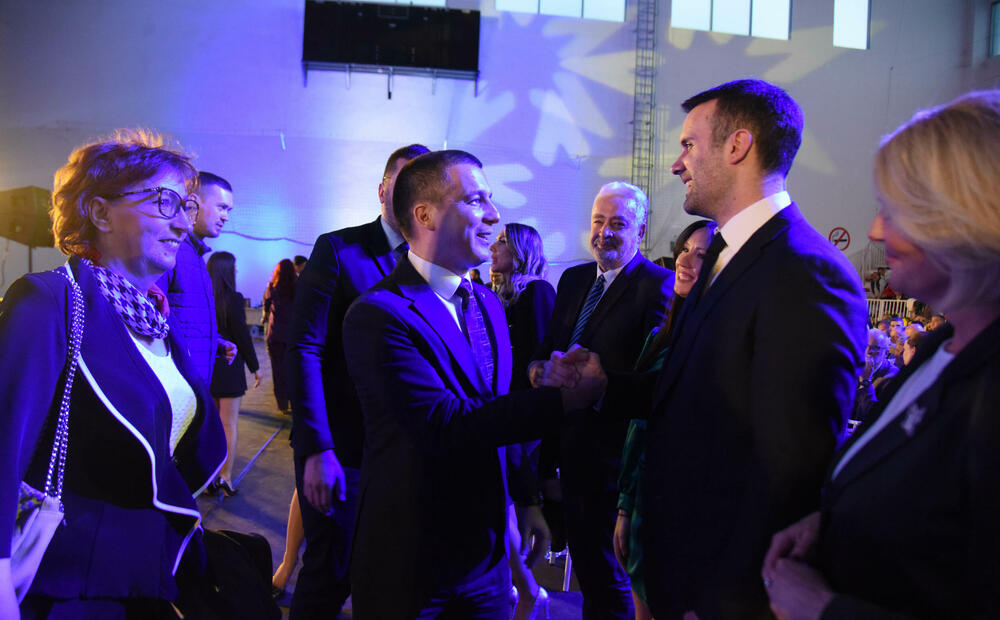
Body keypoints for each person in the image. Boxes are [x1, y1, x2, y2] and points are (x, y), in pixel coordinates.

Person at [762, 89, 1000, 620]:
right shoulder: (941, 345)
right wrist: (833, 522)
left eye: (893, 212)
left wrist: (825, 609)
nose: (874, 230)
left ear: (966, 218)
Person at [342, 149, 607, 619]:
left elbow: (498, 408)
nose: (494, 215)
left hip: (485, 562)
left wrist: (525, 498)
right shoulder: (378, 314)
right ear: (425, 215)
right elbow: (445, 424)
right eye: (475, 200)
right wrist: (562, 400)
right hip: (409, 560)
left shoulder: (486, 303)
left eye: (491, 199)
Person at [638, 79, 867, 618]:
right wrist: (605, 386)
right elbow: (692, 391)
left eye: (689, 145)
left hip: (724, 592)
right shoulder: (723, 252)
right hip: (679, 566)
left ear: (738, 146)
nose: (676, 163)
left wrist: (725, 601)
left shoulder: (807, 271)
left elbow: (791, 466)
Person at [0, 129, 225, 616]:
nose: (182, 223)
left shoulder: (153, 321)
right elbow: (3, 448)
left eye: (186, 206)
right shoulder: (50, 301)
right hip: (72, 586)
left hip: (150, 575)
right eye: (165, 202)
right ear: (100, 213)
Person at [286, 144, 429, 618]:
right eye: (402, 182)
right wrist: (316, 448)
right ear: (383, 189)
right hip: (344, 451)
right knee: (331, 571)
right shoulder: (339, 250)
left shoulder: (432, 260)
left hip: (406, 454)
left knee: (391, 575)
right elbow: (305, 348)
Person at [527, 181, 673, 620]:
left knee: (608, 580)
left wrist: (595, 383)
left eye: (618, 224)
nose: (604, 232)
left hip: (610, 461)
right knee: (590, 573)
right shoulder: (573, 280)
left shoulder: (657, 286)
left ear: (640, 231)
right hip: (563, 452)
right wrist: (538, 371)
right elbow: (546, 350)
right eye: (598, 221)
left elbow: (650, 379)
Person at [613, 219, 714, 620]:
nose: (685, 261)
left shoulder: (715, 341)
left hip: (684, 512)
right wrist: (625, 508)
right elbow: (636, 431)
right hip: (644, 501)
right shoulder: (660, 336)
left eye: (702, 254)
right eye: (684, 250)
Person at [489, 222, 557, 620]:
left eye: (502, 241)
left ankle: (527, 589)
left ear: (519, 251)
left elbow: (541, 361)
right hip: (504, 415)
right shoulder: (503, 293)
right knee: (505, 505)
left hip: (524, 420)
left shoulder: (537, 292)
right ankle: (523, 588)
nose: (493, 247)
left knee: (510, 502)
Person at [155, 170, 237, 385]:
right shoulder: (171, 250)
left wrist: (215, 342)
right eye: (222, 207)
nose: (226, 217)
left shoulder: (196, 256)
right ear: (193, 202)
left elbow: (183, 319)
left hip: (194, 383)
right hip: (175, 384)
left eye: (228, 210)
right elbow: (153, 319)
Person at [207, 251, 261, 496]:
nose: (237, 271)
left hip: (208, 366)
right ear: (227, 271)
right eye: (234, 267)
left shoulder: (204, 296)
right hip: (230, 366)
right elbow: (242, 336)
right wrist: (254, 367)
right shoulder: (234, 299)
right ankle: (225, 477)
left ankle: (208, 478)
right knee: (229, 424)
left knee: (211, 424)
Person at [263, 258, 296, 413]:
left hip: (275, 334)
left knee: (278, 371)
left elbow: (266, 307)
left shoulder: (272, 287)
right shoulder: (298, 287)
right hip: (293, 335)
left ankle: (282, 405)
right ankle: (295, 402)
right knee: (294, 369)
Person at [853, 328, 899, 422]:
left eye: (875, 348)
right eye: (865, 345)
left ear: (886, 352)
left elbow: (875, 415)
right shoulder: (854, 368)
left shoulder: (893, 376)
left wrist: (866, 381)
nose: (868, 351)